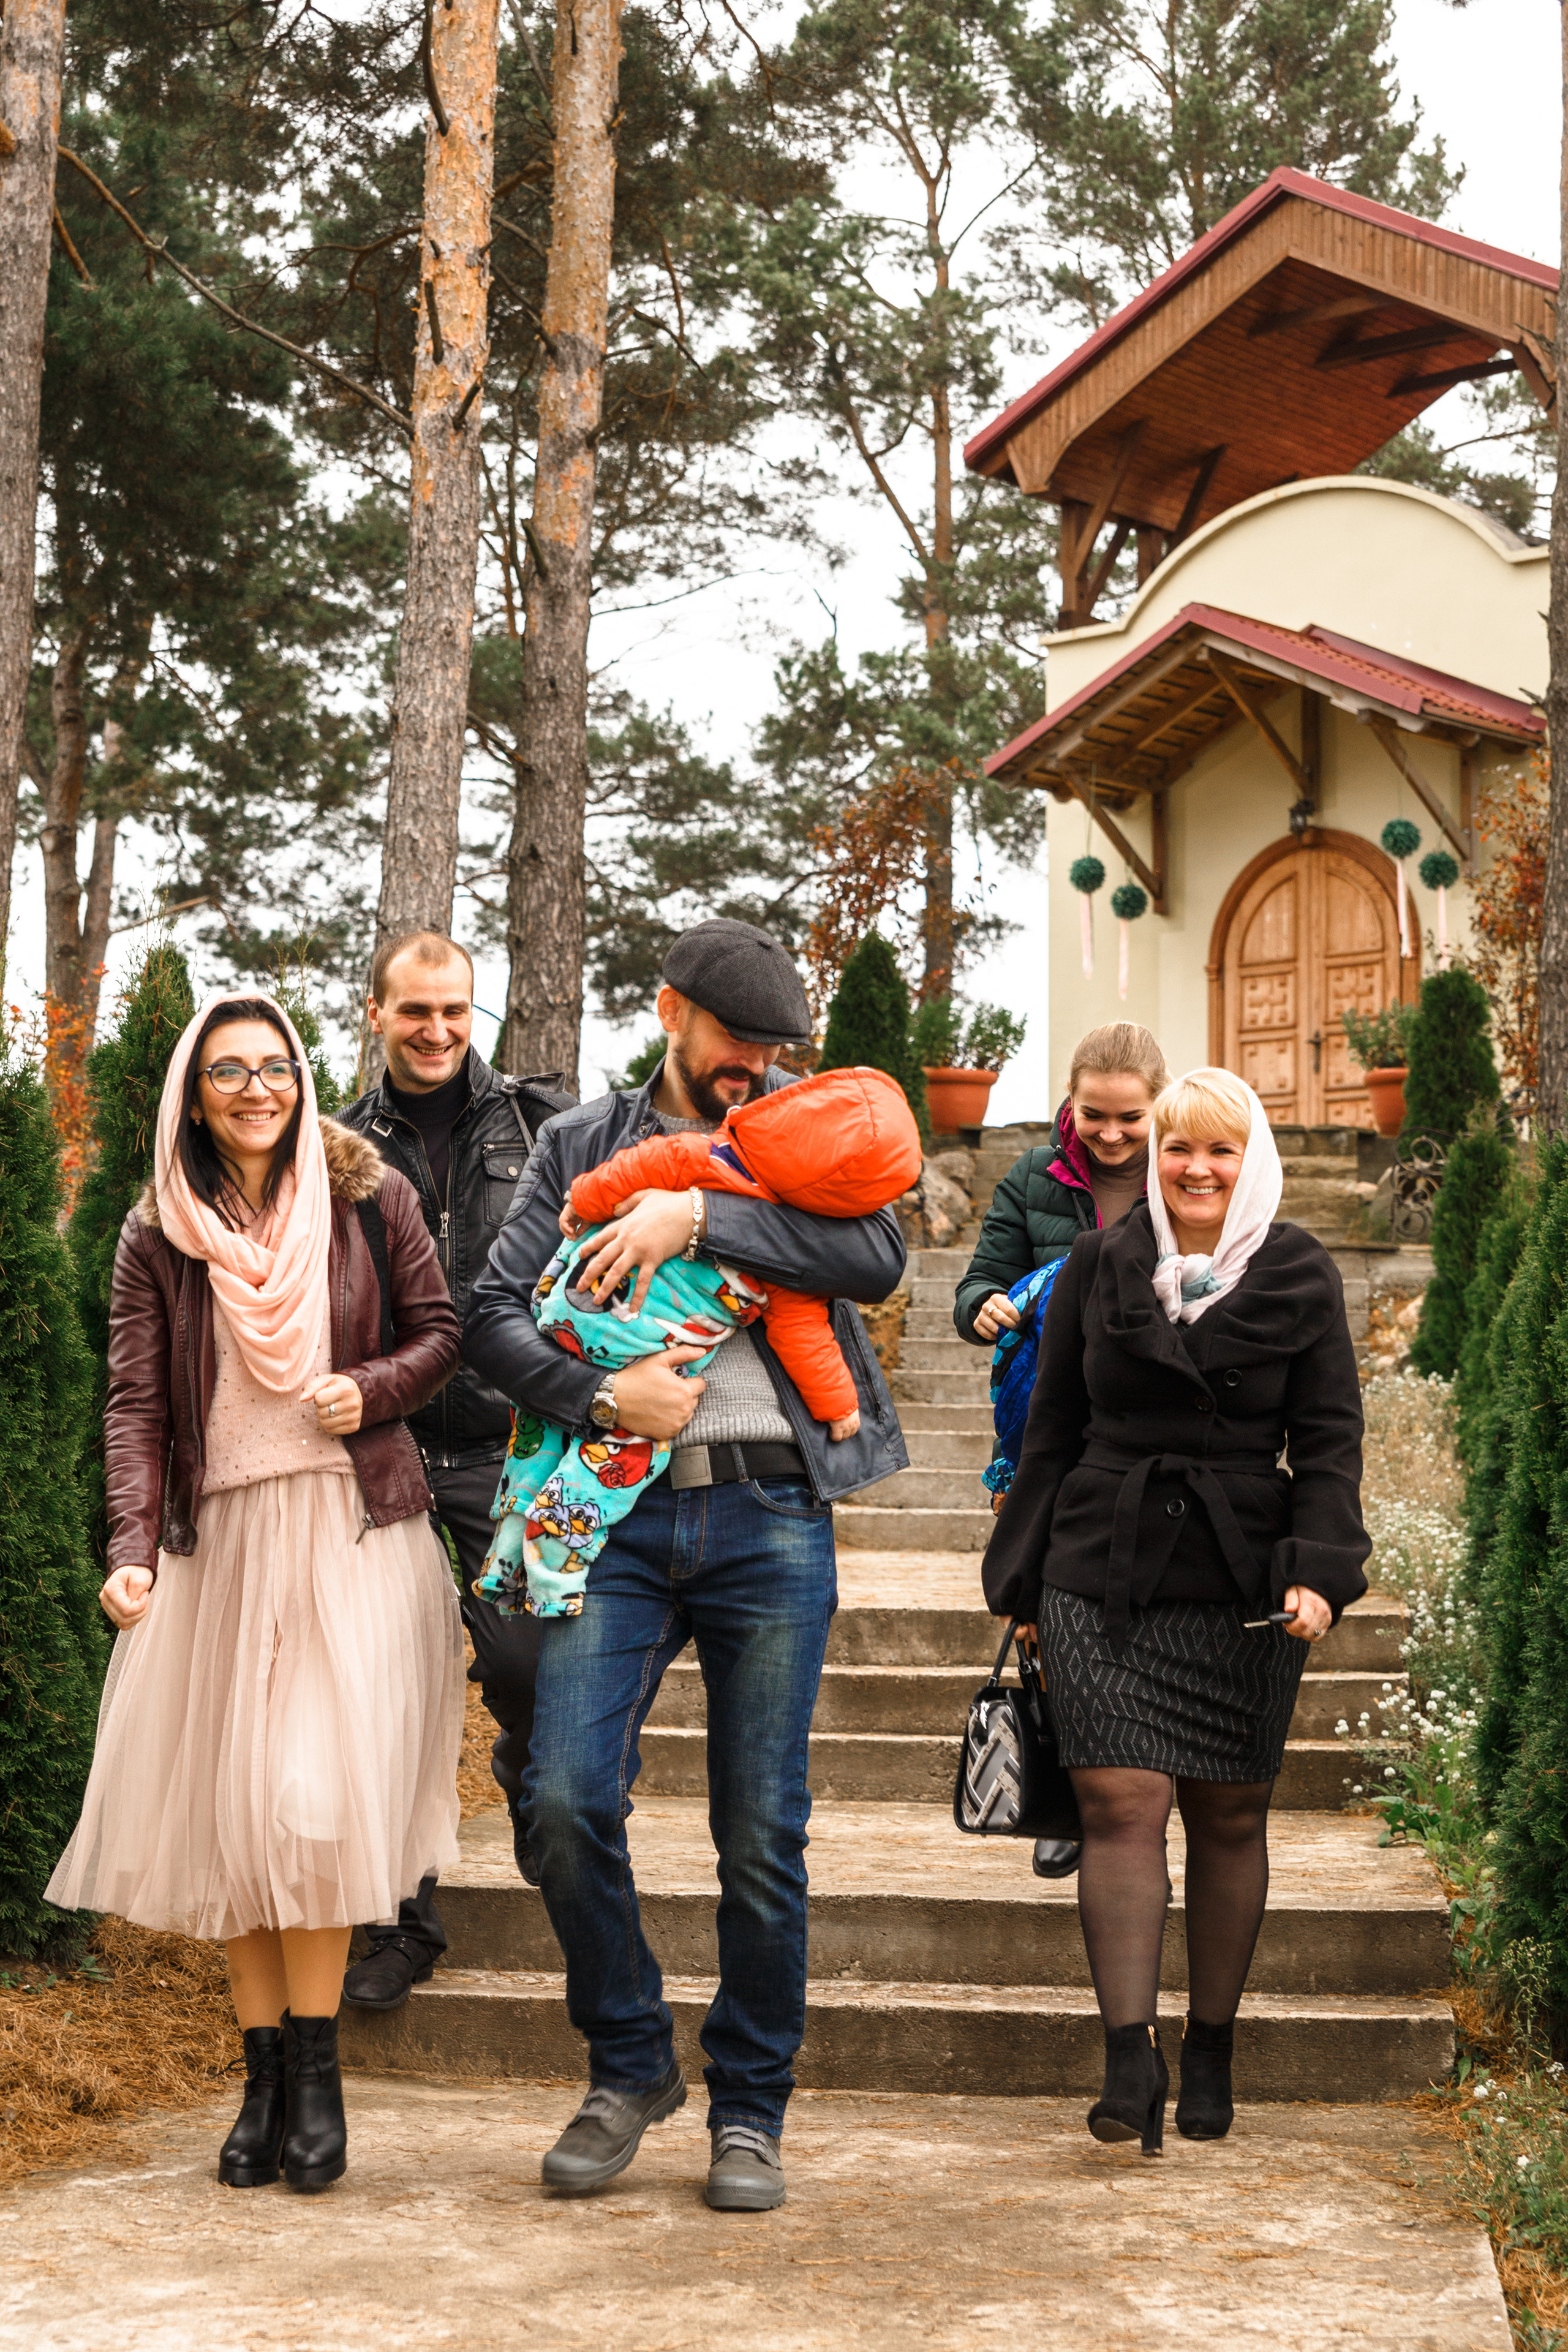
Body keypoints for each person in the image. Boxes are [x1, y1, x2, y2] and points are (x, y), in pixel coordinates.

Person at [464, 917, 908, 2214]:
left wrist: (695, 1212)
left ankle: (750, 2110)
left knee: (759, 1833)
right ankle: (627, 2061)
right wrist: (606, 1402)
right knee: (559, 1797)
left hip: (771, 1514)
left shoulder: (802, 1123)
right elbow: (490, 1315)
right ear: (669, 1010)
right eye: (733, 1041)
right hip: (612, 1518)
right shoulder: (574, 1145)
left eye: (773, 1047)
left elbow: (875, 1254)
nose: (753, 1066)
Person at [47, 994, 464, 2195]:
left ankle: (321, 2074)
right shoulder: (157, 1233)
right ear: (193, 1089)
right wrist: (130, 1543)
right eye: (226, 1071)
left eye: (272, 1065)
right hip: (215, 1546)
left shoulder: (365, 1194)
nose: (253, 1087)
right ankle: (262, 2075)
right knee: (238, 1815)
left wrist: (371, 1387)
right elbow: (134, 1406)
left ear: (300, 1075)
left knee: (310, 1805)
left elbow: (441, 1333)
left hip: (345, 1532)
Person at [981, 1068, 1370, 2156]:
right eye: (1176, 1150)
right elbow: (1049, 1429)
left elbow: (1331, 1440)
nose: (1195, 1170)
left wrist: (1321, 1569)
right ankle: (1126, 2058)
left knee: (1228, 1816)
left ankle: (1210, 2044)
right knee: (1120, 1802)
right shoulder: (1101, 1262)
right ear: (1151, 1159)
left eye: (1220, 1152)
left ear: (1253, 1164)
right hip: (1101, 1566)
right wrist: (1018, 1583)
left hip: (1243, 1578)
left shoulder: (1298, 1271)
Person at [336, 932, 571, 2013]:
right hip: (372, 1450)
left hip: (501, 1446)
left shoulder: (537, 1124)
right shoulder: (332, 1146)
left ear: (476, 1016)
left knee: (527, 1664)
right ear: (375, 1014)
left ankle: (534, 1785)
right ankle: (396, 1919)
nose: (436, 1031)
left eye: (455, 1012)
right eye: (415, 1011)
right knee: (377, 1697)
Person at [477, 1065, 921, 1619]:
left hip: (566, 1306)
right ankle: (554, 1561)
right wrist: (839, 1406)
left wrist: (597, 1201)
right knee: (613, 1462)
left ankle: (506, 1551)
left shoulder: (708, 1153)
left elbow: (640, 1164)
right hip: (636, 1359)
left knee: (541, 1436)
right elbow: (804, 1335)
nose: (759, 1064)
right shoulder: (784, 1259)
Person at [956, 1022, 1170, 1879]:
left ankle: (1136, 1787)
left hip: (1151, 1432)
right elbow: (979, 1278)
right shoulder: (1031, 1179)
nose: (1112, 1134)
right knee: (1046, 1618)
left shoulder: (1187, 1172)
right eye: (1095, 1116)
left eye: (1131, 1118)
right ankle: (1073, 1798)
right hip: (1045, 1429)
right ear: (1070, 1105)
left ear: (1159, 1106)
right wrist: (983, 1307)